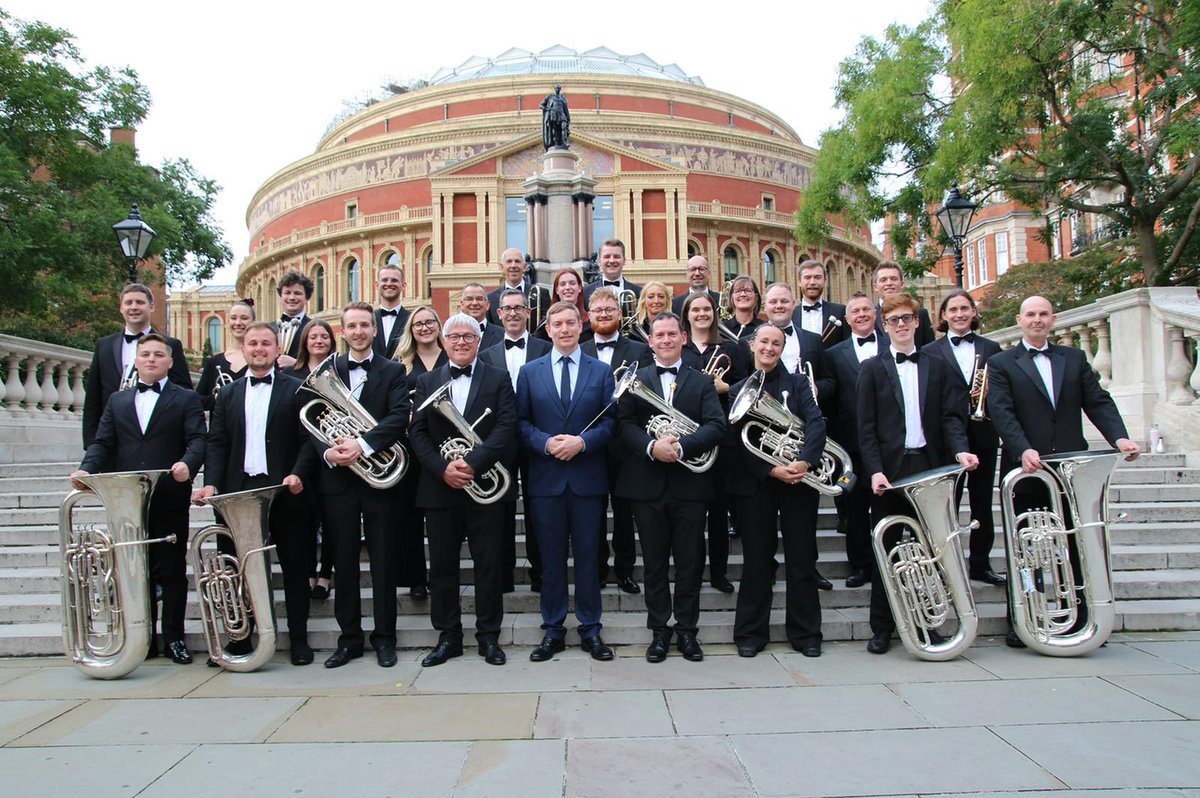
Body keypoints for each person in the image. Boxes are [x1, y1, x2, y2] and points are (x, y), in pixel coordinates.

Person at [984, 294, 1140, 647]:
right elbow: (1002, 412)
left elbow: (1097, 400)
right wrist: (1023, 449)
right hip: (1026, 470)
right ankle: (1023, 619)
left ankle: (1081, 617)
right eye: (1030, 314)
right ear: (1020, 320)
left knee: (1075, 544)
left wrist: (1119, 438)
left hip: (1071, 469)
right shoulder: (1001, 363)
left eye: (1043, 314)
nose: (1037, 320)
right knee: (1025, 549)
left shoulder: (1074, 358)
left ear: (1053, 320)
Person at [72, 333, 206, 664]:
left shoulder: (186, 398)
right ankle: (143, 638)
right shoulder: (118, 401)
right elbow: (102, 443)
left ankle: (174, 637)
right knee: (135, 570)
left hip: (170, 495)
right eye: (145, 354)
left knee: (172, 570)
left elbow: (198, 440)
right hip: (129, 501)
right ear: (137, 360)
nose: (151, 359)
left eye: (158, 355)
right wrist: (86, 470)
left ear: (170, 362)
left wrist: (187, 465)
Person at [857, 293, 977, 654]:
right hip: (891, 473)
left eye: (907, 318)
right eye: (894, 320)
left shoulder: (938, 366)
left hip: (931, 467)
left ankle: (929, 624)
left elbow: (951, 418)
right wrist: (875, 472)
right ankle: (882, 627)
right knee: (888, 550)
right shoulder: (872, 369)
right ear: (884, 325)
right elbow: (866, 429)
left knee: (932, 551)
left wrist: (960, 450)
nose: (902, 325)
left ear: (917, 322)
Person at [192, 322, 317, 665]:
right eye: (252, 344)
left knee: (294, 567)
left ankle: (299, 640)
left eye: (266, 343)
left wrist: (297, 473)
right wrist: (212, 483)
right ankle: (241, 638)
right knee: (237, 567)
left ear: (278, 351)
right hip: (238, 493)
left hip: (284, 490)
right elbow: (216, 443)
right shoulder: (227, 394)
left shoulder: (297, 390)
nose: (259, 349)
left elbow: (309, 440)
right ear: (243, 350)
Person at [616, 312, 726, 662]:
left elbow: (716, 426)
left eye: (671, 334)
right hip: (646, 486)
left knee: (691, 563)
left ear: (682, 338)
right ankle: (659, 632)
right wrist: (651, 447)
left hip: (690, 486)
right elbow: (625, 424)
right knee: (654, 564)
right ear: (650, 342)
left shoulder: (701, 381)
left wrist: (683, 447)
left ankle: (688, 632)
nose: (664, 340)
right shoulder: (637, 379)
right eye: (658, 335)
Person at [410, 313, 517, 667]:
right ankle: (448, 637)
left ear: (477, 341)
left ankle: (489, 637)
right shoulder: (427, 382)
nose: (460, 343)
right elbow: (418, 434)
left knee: (489, 564)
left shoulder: (498, 379)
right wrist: (443, 469)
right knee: (442, 566)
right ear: (444, 341)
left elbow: (506, 425)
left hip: (483, 485)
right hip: (440, 489)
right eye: (453, 337)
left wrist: (474, 462)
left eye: (467, 337)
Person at [516, 301, 617, 662]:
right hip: (546, 481)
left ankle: (591, 629)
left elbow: (610, 423)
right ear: (548, 328)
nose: (564, 329)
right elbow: (521, 422)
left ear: (581, 325)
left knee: (589, 559)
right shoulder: (529, 372)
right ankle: (553, 629)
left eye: (570, 323)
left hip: (588, 480)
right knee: (551, 560)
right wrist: (544, 442)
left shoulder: (602, 372)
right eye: (557, 324)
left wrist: (583, 442)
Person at [317, 302, 411, 669]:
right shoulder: (328, 370)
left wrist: (363, 445)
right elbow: (312, 421)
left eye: (364, 326)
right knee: (343, 562)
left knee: (384, 562)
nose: (358, 332)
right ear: (342, 332)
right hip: (338, 480)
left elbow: (398, 416)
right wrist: (329, 453)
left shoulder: (392, 371)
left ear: (374, 330)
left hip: (378, 480)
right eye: (351, 326)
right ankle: (349, 639)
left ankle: (385, 638)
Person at [727, 323, 828, 657]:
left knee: (801, 558)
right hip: (758, 482)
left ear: (782, 349)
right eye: (764, 342)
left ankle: (807, 634)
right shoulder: (738, 389)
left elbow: (815, 423)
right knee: (757, 559)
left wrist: (804, 462)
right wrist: (770, 469)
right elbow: (736, 442)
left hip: (798, 480)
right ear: (752, 345)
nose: (769, 348)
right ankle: (750, 634)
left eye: (777, 343)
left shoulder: (798, 383)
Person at [921, 289, 1006, 585]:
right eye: (952, 309)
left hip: (983, 433)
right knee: (948, 504)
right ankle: (947, 564)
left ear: (973, 312)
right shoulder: (931, 351)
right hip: (946, 437)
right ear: (943, 316)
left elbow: (1001, 390)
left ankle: (980, 564)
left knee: (983, 502)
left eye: (964, 309)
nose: (959, 314)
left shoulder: (992, 348)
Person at [478, 288, 551, 592]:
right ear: (498, 313)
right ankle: (504, 575)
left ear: (527, 312)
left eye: (518, 308)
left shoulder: (546, 349)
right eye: (506, 308)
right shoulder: (486, 355)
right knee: (501, 511)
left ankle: (541, 573)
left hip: (536, 438)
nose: (512, 313)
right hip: (500, 442)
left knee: (538, 508)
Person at [581, 287, 651, 593]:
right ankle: (596, 568)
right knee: (593, 512)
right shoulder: (579, 350)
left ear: (619, 314)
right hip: (591, 445)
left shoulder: (639, 350)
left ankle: (625, 570)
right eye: (598, 311)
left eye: (610, 310)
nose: (604, 315)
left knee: (624, 512)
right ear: (589, 316)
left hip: (626, 445)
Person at [818, 293, 885, 589]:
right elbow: (831, 401)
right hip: (852, 440)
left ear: (875, 314)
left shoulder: (893, 346)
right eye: (855, 311)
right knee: (856, 509)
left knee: (888, 506)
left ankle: (888, 561)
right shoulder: (834, 354)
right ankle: (860, 565)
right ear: (847, 319)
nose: (861, 314)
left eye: (866, 309)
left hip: (890, 442)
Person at [680, 292, 740, 592]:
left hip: (722, 437)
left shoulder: (731, 348)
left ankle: (719, 573)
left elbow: (746, 389)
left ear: (714, 314)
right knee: (691, 514)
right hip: (688, 437)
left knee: (718, 511)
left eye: (706, 309)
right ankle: (689, 572)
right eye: (696, 310)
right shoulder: (680, 349)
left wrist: (723, 386)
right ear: (687, 315)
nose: (702, 314)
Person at [82, 283, 192, 448]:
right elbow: (93, 397)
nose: (133, 307)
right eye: (128, 303)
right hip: (112, 436)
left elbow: (183, 390)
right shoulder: (103, 345)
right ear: (121, 308)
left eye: (139, 302)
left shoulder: (171, 345)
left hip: (156, 436)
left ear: (152, 307)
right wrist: (91, 443)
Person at [392, 306, 449, 603]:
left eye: (430, 322)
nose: (425, 328)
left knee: (445, 519)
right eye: (418, 325)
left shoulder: (452, 357)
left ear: (439, 326)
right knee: (410, 517)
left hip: (448, 448)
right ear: (411, 331)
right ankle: (416, 578)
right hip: (413, 448)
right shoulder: (400, 365)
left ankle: (444, 576)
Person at [290, 318, 336, 599]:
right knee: (304, 518)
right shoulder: (291, 374)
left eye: (324, 337)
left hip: (332, 453)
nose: (319, 341)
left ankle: (325, 574)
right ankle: (308, 571)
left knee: (331, 518)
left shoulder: (338, 371)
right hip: (302, 455)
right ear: (304, 342)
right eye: (313, 337)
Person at [195, 299, 253, 411]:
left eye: (244, 318)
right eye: (233, 318)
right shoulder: (214, 362)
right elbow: (199, 401)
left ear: (253, 321)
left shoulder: (262, 361)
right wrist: (218, 398)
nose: (238, 323)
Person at [871, 262, 934, 348]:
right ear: (875, 287)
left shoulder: (921, 314)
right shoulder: (870, 316)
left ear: (902, 283)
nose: (889, 283)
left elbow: (931, 350)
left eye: (893, 279)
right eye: (883, 280)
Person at [487, 247, 550, 329]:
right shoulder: (490, 298)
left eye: (517, 261)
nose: (513, 265)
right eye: (509, 261)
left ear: (525, 267)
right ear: (502, 267)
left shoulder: (541, 294)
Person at [792, 260, 848, 347]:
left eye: (817, 277)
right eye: (807, 277)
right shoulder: (791, 314)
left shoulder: (841, 311)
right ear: (799, 281)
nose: (812, 282)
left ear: (825, 281)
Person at [536, 268, 591, 341]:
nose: (567, 287)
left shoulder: (590, 321)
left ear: (580, 288)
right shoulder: (545, 323)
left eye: (572, 283)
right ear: (557, 290)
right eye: (562, 284)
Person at [274, 270, 316, 367]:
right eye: (287, 293)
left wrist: (296, 364)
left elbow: (321, 365)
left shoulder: (314, 328)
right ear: (281, 296)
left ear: (307, 298)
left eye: (297, 293)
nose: (292, 297)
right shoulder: (269, 328)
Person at [583, 239, 641, 303]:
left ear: (624, 261)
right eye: (607, 257)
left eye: (616, 256)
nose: (612, 261)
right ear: (599, 261)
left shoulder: (639, 292)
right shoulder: (585, 292)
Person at [372, 263, 410, 359]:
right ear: (377, 285)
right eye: (384, 280)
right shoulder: (368, 319)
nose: (389, 284)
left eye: (394, 280)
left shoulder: (412, 319)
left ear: (403, 285)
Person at [459, 283, 504, 350]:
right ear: (462, 304)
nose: (474, 303)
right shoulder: (451, 334)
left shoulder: (502, 334)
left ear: (487, 305)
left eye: (479, 299)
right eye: (469, 299)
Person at [721, 275, 764, 341]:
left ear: (756, 297)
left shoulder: (765, 328)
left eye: (748, 290)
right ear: (732, 297)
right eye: (738, 291)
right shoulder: (721, 329)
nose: (743, 294)